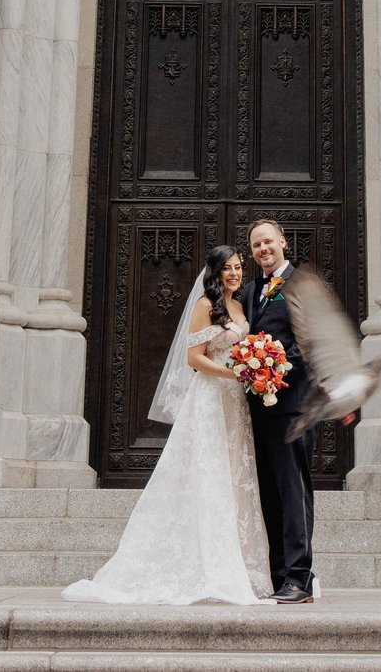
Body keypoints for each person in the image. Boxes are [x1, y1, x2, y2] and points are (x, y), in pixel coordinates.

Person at [63, 246, 270, 605]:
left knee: (234, 475)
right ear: (215, 272)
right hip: (209, 398)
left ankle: (239, 566)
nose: (235, 273)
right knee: (208, 475)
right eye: (228, 268)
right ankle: (207, 568)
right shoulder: (206, 306)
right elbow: (194, 360)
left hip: (235, 404)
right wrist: (238, 373)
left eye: (239, 267)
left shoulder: (239, 306)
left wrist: (250, 373)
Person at [241, 218, 318, 602]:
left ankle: (300, 577)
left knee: (293, 491)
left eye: (267, 241)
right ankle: (278, 576)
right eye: (256, 245)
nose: (262, 250)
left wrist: (276, 364)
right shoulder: (250, 290)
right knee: (269, 493)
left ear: (283, 242)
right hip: (258, 410)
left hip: (293, 408)